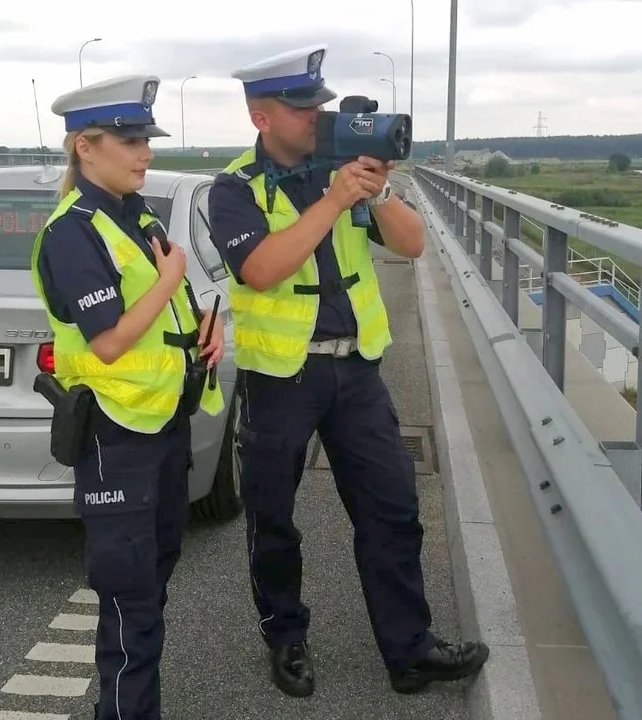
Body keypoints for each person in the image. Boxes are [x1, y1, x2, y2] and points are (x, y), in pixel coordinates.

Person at [207, 45, 491, 698]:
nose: (317, 116)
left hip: (355, 374)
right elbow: (262, 269)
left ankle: (409, 650)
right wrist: (333, 202)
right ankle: (285, 637)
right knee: (272, 518)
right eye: (301, 106)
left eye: (320, 104)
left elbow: (412, 245)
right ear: (261, 117)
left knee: (392, 511)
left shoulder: (338, 172)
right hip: (280, 379)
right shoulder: (234, 190)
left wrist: (378, 189)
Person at [28, 74, 225, 720]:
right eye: (130, 139)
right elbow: (109, 341)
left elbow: (159, 310)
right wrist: (171, 275)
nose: (144, 152)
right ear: (86, 146)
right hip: (116, 436)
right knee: (128, 601)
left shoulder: (133, 214)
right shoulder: (73, 231)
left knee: (151, 584)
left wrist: (200, 325)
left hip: (160, 425)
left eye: (146, 138)